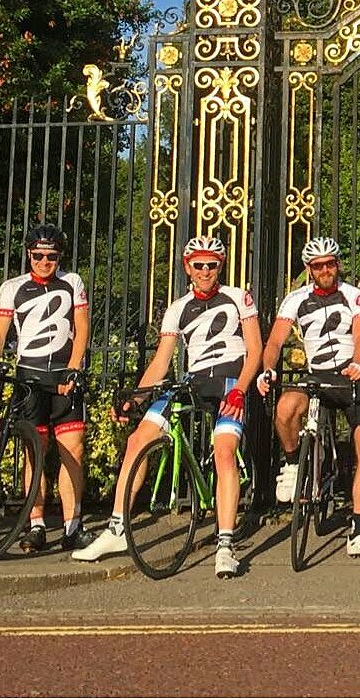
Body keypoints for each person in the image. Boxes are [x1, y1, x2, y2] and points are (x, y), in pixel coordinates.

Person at [72, 235, 264, 578]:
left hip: (230, 381)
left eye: (212, 265)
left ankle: (225, 544)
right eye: (199, 265)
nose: (205, 271)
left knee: (223, 451)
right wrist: (138, 396)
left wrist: (242, 390)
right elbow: (162, 361)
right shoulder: (177, 308)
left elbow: (255, 349)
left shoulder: (238, 297)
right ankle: (117, 528)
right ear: (187, 267)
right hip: (193, 379)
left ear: (220, 266)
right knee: (138, 440)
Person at [258, 237, 360, 562]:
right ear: (309, 269)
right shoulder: (296, 299)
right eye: (318, 266)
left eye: (330, 264)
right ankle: (293, 463)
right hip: (317, 376)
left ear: (337, 264)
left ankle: (358, 532)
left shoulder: (354, 295)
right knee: (286, 408)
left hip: (351, 375)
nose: (326, 270)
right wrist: (267, 370)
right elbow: (275, 341)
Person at [0, 224, 92, 553]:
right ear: (29, 254)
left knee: (73, 450)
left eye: (52, 256)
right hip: (29, 379)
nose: (45, 262)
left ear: (60, 257)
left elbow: (82, 327)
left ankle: (73, 525)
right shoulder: (12, 287)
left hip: (63, 376)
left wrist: (74, 367)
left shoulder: (72, 282)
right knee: (35, 453)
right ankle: (37, 525)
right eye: (39, 256)